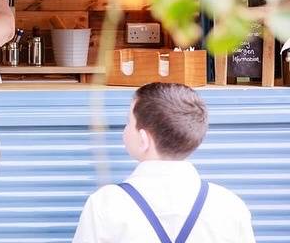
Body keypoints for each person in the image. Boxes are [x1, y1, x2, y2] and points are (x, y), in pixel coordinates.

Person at [72, 82, 256, 243]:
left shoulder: (105, 204)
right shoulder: (229, 206)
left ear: (144, 139)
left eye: (128, 122)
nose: (125, 128)